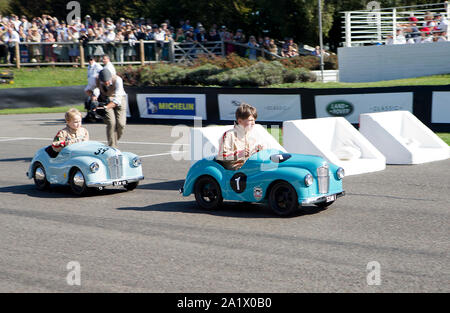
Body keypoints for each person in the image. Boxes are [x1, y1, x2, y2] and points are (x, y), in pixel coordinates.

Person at [85, 68, 127, 148]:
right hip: (105, 100)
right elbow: (87, 90)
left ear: (111, 77)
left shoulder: (118, 80)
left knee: (121, 124)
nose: (106, 83)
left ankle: (114, 141)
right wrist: (93, 97)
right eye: (103, 82)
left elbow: (117, 100)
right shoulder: (95, 79)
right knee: (111, 123)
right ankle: (112, 147)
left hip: (119, 99)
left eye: (107, 81)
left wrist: (105, 107)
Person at [217, 103, 265, 170]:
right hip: (236, 168)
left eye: (254, 120)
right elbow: (222, 156)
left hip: (249, 165)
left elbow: (250, 155)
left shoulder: (251, 134)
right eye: (251, 120)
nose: (253, 123)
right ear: (240, 121)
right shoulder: (229, 134)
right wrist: (240, 154)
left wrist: (257, 151)